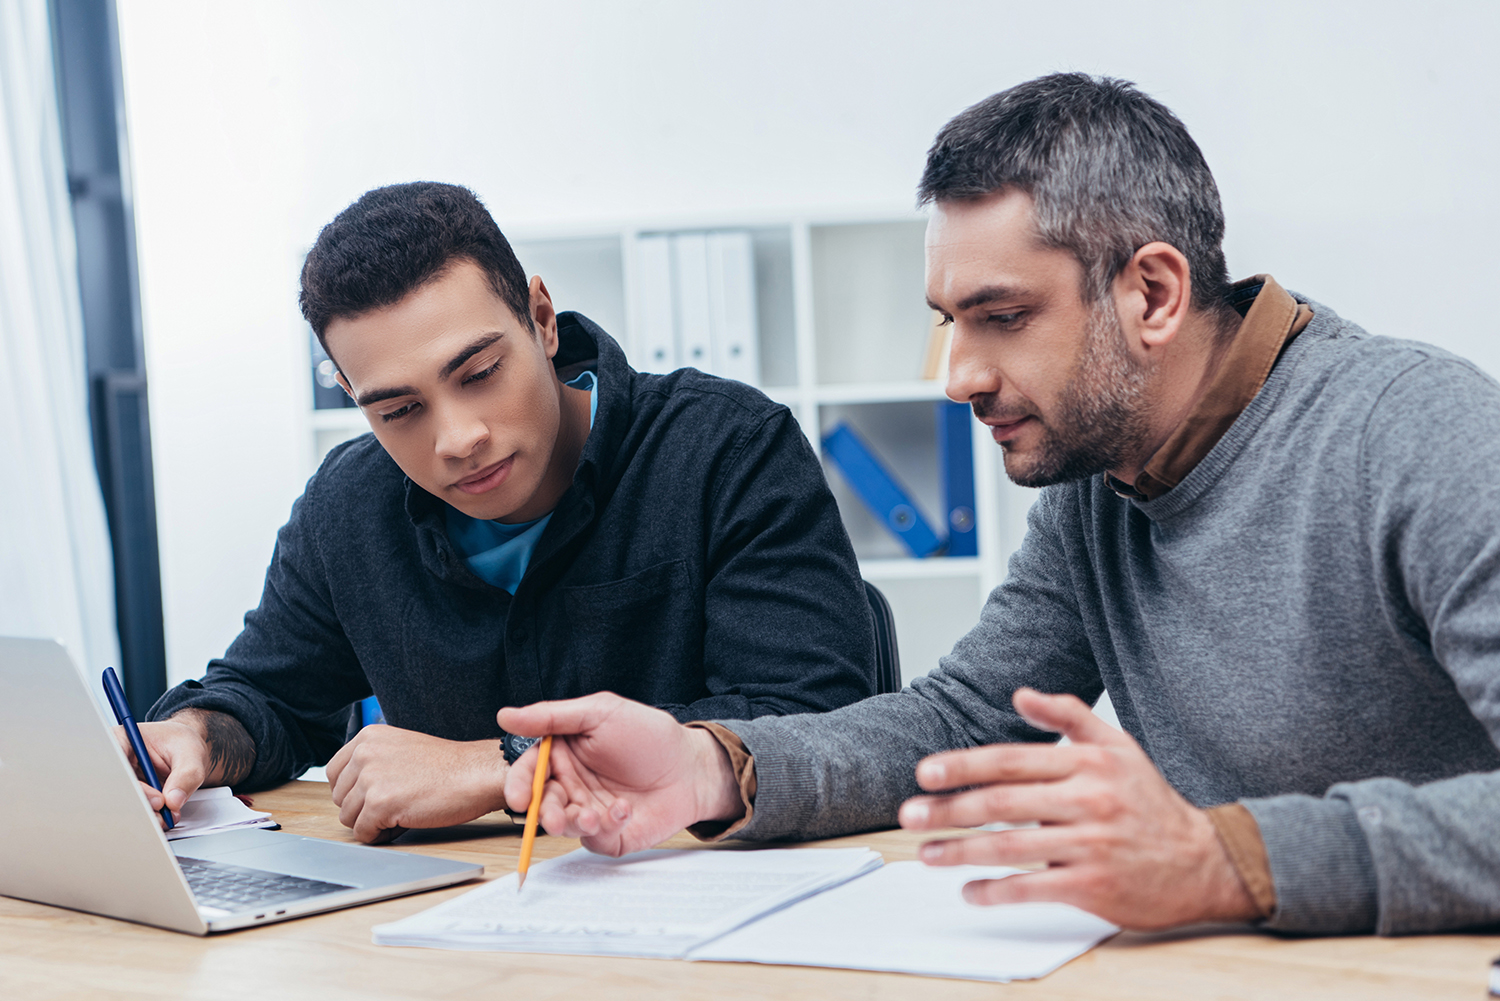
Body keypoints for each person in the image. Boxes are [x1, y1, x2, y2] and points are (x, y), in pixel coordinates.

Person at [496, 74, 1500, 937]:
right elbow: (964, 717)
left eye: (1004, 316)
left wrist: (1224, 857)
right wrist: (709, 767)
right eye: (949, 321)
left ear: (1153, 294)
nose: (958, 377)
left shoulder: (1420, 435)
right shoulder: (1103, 477)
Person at [123, 182, 877, 843]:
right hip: (453, 920)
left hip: (704, 903)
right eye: (398, 411)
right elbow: (269, 698)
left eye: (479, 372)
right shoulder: (347, 506)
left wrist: (496, 766)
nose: (457, 439)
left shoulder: (728, 449)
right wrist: (193, 736)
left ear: (541, 319)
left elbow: (811, 726)